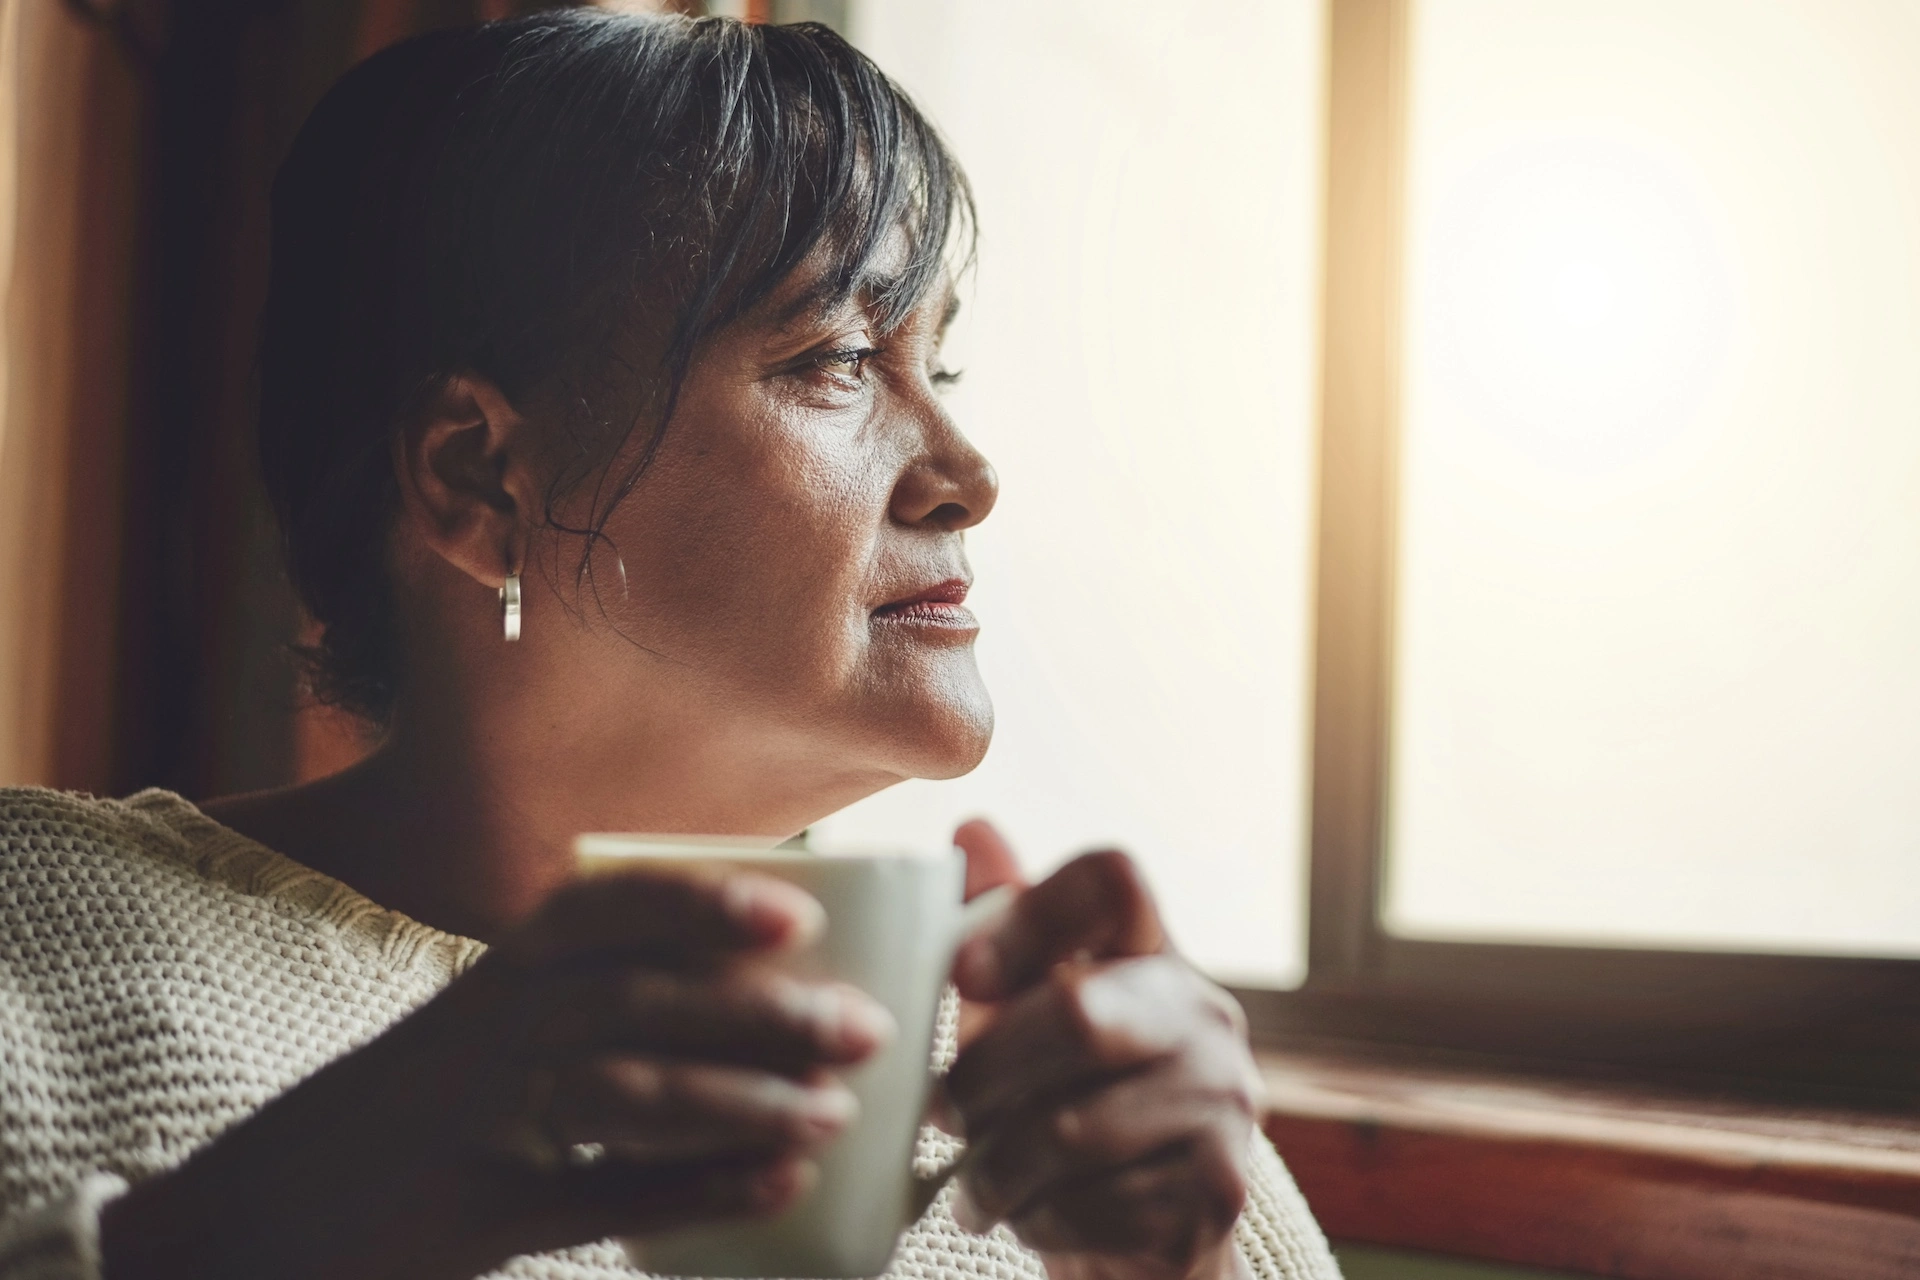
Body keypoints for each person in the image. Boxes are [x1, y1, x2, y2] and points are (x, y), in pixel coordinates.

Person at [0, 12, 1340, 1280]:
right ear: (481, 481)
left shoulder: (1054, 1075)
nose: (967, 472)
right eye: (834, 357)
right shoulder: (38, 938)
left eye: (944, 370)